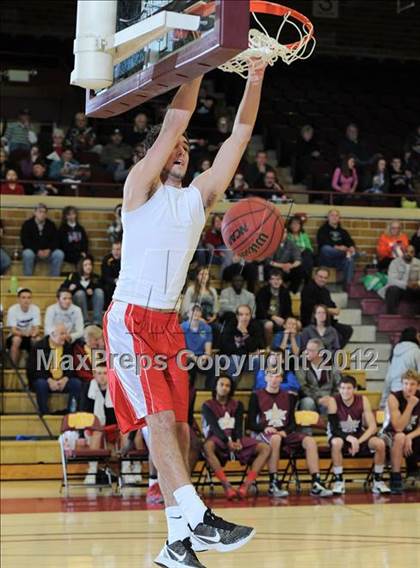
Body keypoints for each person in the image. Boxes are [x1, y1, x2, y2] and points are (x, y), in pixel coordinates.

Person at [103, 64, 268, 564]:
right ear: (154, 155)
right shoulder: (138, 189)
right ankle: (197, 515)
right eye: (175, 146)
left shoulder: (200, 198)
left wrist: (255, 78)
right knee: (158, 418)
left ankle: (177, 545)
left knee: (178, 430)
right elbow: (177, 118)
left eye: (188, 149)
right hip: (130, 317)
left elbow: (239, 134)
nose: (183, 149)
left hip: (167, 323)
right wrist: (198, 63)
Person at [248, 368, 333, 498]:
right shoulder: (256, 395)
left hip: (284, 433)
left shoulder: (290, 396)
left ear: (282, 379)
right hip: (265, 434)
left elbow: (292, 423)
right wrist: (264, 428)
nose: (274, 379)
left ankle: (316, 483)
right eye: (271, 376)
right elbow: (250, 423)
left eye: (277, 376)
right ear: (265, 378)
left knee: (310, 441)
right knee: (275, 438)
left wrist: (285, 431)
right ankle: (273, 483)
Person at [202, 375, 270, 499]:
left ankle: (246, 486)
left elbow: (239, 426)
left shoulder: (237, 404)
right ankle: (226, 486)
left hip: (235, 439)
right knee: (207, 446)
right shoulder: (207, 405)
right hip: (218, 439)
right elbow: (214, 427)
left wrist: (238, 440)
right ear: (215, 387)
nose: (224, 388)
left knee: (265, 447)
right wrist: (227, 441)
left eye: (227, 385)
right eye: (221, 385)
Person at [79, 362, 143, 484]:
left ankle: (126, 469)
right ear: (94, 375)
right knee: (97, 432)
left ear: (109, 374)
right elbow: (83, 413)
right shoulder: (87, 388)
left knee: (126, 432)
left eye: (105, 373)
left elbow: (122, 412)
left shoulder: (116, 388)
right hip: (95, 426)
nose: (102, 376)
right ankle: (92, 471)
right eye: (99, 373)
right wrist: (81, 434)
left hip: (114, 425)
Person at [327, 375, 390, 495]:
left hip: (358, 435)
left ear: (355, 389)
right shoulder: (333, 401)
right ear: (339, 389)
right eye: (343, 388)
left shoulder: (363, 400)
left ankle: (378, 481)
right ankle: (339, 481)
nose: (345, 391)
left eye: (349, 388)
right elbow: (334, 429)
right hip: (340, 435)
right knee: (336, 443)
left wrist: (358, 441)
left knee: (380, 443)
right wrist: (350, 439)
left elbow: (372, 427)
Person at [27, 323, 82, 415]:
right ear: (52, 335)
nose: (65, 336)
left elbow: (73, 367)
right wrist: (49, 380)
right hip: (46, 380)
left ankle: (71, 413)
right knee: (41, 384)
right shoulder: (39, 346)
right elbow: (33, 370)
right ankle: (44, 413)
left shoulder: (68, 346)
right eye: (62, 334)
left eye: (65, 333)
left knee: (76, 383)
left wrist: (65, 379)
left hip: (63, 381)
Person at [382, 369, 420, 494]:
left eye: (412, 384)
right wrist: (410, 405)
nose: (408, 387)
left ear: (418, 386)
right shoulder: (394, 397)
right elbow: (398, 427)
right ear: (401, 384)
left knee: (405, 437)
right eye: (405, 383)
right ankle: (395, 477)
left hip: (411, 435)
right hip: (389, 435)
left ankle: (413, 470)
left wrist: (410, 436)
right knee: (400, 437)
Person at [300, 267, 353, 348]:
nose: (322, 279)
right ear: (315, 276)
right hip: (312, 322)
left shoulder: (325, 291)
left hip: (327, 322)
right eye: (320, 277)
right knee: (335, 334)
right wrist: (328, 310)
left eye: (325, 278)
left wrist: (335, 309)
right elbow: (311, 307)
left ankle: (333, 354)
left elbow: (332, 305)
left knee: (347, 330)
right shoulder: (308, 288)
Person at [219, 304, 264, 382]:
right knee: (236, 359)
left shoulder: (256, 326)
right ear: (237, 316)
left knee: (258, 360)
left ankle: (257, 391)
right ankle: (230, 388)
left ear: (251, 316)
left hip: (245, 360)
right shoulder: (230, 325)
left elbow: (255, 347)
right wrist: (247, 352)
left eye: (247, 314)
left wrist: (244, 332)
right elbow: (225, 348)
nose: (244, 317)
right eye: (241, 314)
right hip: (227, 358)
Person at [296, 338, 341, 415]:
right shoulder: (302, 367)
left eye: (310, 350)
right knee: (308, 402)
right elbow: (303, 387)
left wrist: (331, 398)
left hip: (328, 398)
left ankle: (329, 426)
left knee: (332, 403)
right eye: (306, 349)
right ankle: (308, 427)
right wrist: (317, 399)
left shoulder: (332, 368)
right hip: (310, 398)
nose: (306, 352)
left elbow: (339, 385)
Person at [20, 203, 65, 276]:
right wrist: (37, 250)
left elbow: (56, 240)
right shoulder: (27, 224)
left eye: (44, 212)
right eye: (40, 212)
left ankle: (54, 278)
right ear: (35, 212)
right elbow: (25, 241)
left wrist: (49, 249)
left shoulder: (51, 225)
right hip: (34, 252)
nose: (42, 214)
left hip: (48, 253)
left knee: (59, 254)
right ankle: (27, 278)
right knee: (27, 254)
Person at [380, 328, 420, 408]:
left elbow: (388, 378)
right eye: (418, 336)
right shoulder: (417, 352)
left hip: (394, 393)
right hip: (410, 393)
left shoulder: (394, 351)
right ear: (414, 337)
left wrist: (383, 401)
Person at [317, 209, 357, 287]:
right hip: (327, 260)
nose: (334, 217)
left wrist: (351, 247)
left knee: (350, 259)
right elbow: (322, 242)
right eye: (332, 215)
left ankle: (347, 285)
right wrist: (338, 247)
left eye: (336, 215)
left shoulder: (343, 231)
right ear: (328, 217)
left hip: (340, 260)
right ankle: (353, 254)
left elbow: (349, 241)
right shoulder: (322, 230)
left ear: (339, 218)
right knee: (325, 249)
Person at [61, 256, 104, 326]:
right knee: (80, 293)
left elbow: (102, 288)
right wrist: (70, 289)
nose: (88, 267)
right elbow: (62, 288)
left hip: (92, 302)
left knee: (99, 291)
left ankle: (97, 322)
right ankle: (85, 321)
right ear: (81, 266)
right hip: (78, 302)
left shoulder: (96, 277)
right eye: (86, 265)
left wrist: (92, 289)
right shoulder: (73, 276)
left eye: (90, 264)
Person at [378, 244, 420, 314]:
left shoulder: (418, 263)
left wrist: (417, 284)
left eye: (411, 252)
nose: (408, 254)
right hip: (399, 291)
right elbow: (391, 280)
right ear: (403, 252)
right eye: (406, 251)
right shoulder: (395, 262)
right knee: (392, 289)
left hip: (413, 290)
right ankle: (391, 317)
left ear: (414, 254)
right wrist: (406, 284)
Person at [256, 269, 292, 347]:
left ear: (282, 280)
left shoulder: (285, 292)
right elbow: (260, 311)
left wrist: (286, 320)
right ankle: (270, 347)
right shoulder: (262, 291)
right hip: (265, 318)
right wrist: (273, 317)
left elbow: (288, 310)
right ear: (269, 281)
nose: (276, 281)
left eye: (278, 279)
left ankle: (289, 349)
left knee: (297, 324)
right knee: (269, 325)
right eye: (273, 279)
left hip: (281, 318)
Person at [181, 305, 214, 388]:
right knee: (190, 367)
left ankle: (209, 391)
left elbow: (208, 349)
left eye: (198, 311)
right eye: (193, 310)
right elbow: (182, 349)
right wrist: (194, 358)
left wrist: (205, 357)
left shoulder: (206, 328)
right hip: (187, 356)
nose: (196, 312)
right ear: (188, 313)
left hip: (201, 356)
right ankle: (189, 393)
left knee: (213, 366)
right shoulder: (181, 328)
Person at [6, 288, 41, 366]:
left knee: (37, 340)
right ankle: (13, 368)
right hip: (16, 336)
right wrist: (25, 334)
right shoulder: (12, 309)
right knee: (16, 339)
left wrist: (33, 333)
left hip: (29, 335)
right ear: (18, 299)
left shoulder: (35, 309)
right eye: (23, 297)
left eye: (29, 297)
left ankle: (35, 367)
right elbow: (13, 330)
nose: (26, 300)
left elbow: (37, 329)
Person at [267, 228, 304, 293]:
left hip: (288, 267)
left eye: (285, 232)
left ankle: (293, 292)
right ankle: (274, 291)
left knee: (299, 270)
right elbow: (269, 261)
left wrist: (291, 266)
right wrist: (282, 266)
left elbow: (298, 259)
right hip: (276, 266)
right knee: (268, 268)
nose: (283, 234)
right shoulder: (271, 243)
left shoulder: (291, 243)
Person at [286, 215, 314, 283]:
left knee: (307, 253)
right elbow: (287, 248)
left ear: (300, 225)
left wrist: (303, 249)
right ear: (290, 225)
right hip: (292, 256)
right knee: (305, 260)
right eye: (293, 223)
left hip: (304, 254)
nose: (295, 225)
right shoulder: (287, 235)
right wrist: (297, 250)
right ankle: (307, 279)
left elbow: (310, 248)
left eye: (298, 223)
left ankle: (306, 279)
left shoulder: (304, 235)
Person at [101, 241, 121, 308]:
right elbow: (105, 276)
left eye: (118, 249)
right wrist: (115, 280)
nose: (115, 252)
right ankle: (108, 308)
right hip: (110, 282)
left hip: (122, 282)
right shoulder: (107, 259)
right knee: (109, 287)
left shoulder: (126, 259)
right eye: (114, 249)